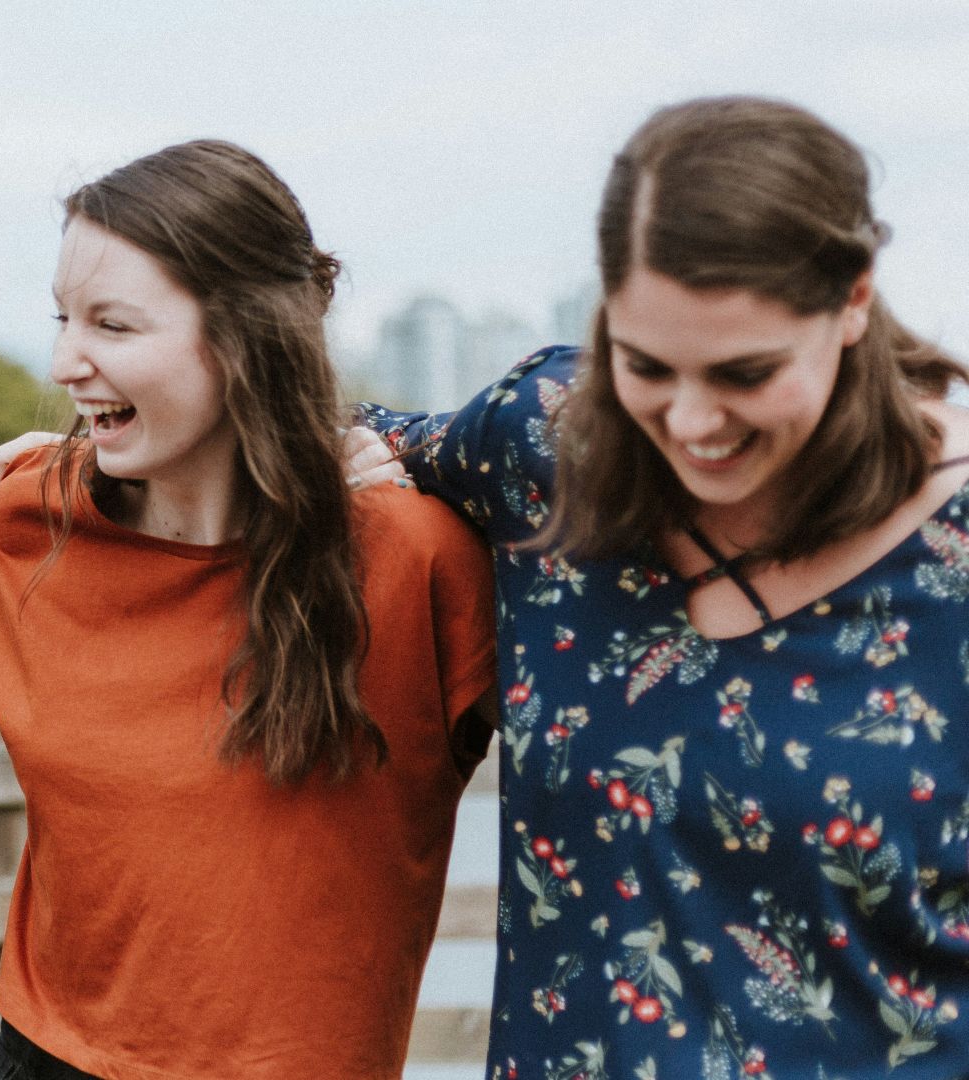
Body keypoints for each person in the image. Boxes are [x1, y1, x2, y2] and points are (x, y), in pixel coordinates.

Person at [361, 97, 969, 1078]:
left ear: (853, 301)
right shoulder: (548, 439)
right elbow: (313, 436)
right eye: (643, 365)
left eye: (744, 371)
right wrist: (58, 473)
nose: (690, 422)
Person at [0, 140, 499, 1079]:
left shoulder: (417, 557)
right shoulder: (31, 516)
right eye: (63, 319)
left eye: (113, 325)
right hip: (45, 1059)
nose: (66, 361)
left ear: (246, 336)